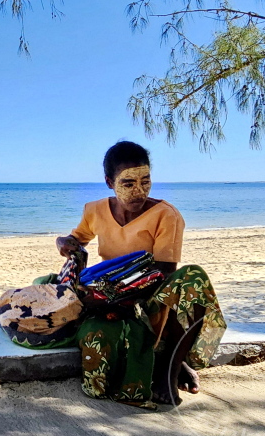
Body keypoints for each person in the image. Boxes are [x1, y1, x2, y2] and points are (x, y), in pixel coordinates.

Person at [50, 141, 226, 407]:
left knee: (193, 279)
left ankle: (170, 370)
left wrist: (119, 297)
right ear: (110, 182)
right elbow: (76, 239)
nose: (139, 191)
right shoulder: (95, 210)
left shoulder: (167, 215)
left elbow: (166, 273)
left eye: (146, 181)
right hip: (106, 291)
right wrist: (63, 242)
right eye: (128, 183)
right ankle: (163, 360)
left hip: (150, 296)